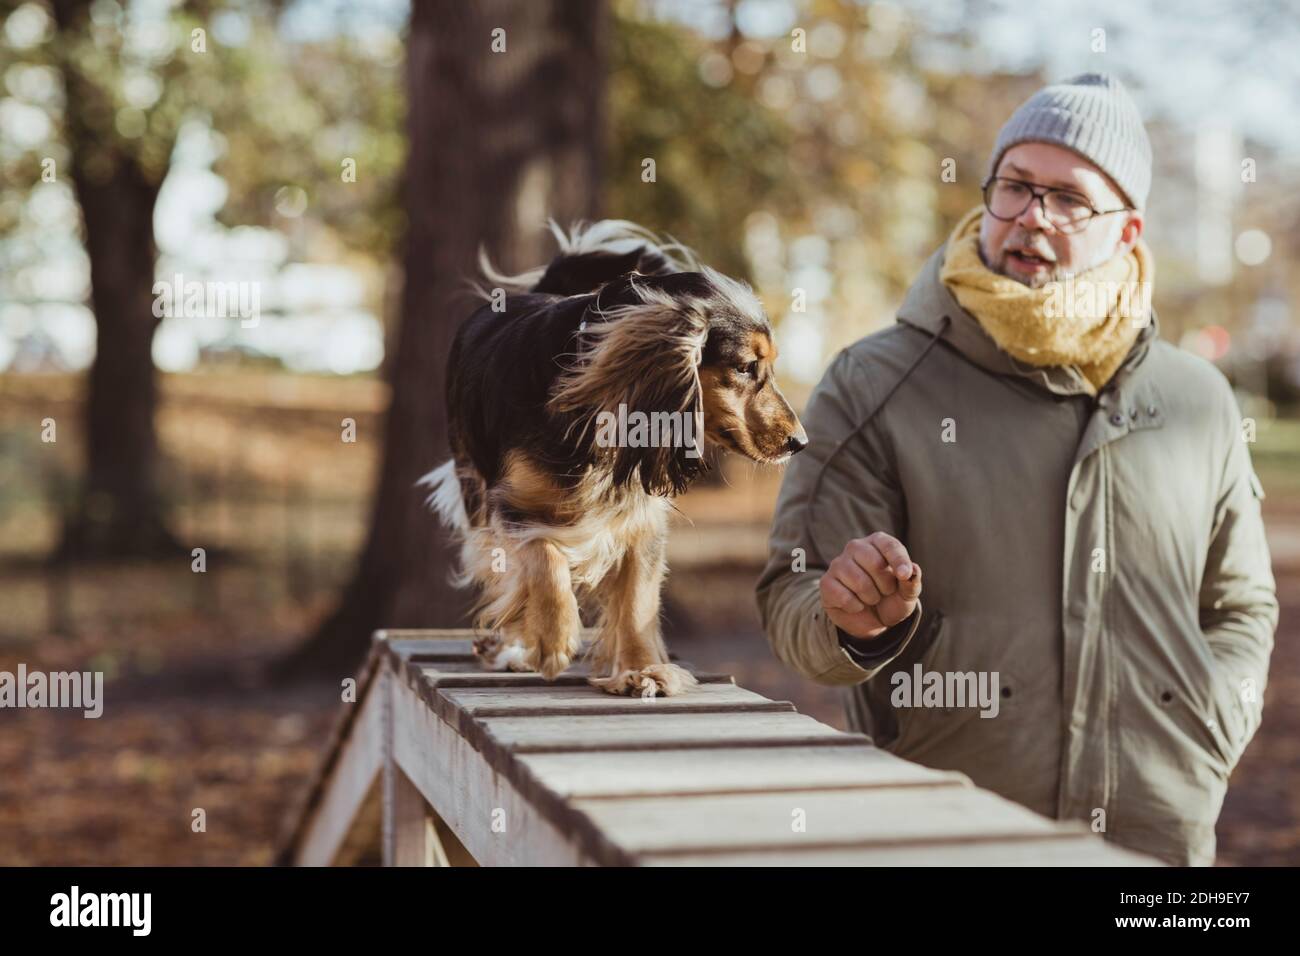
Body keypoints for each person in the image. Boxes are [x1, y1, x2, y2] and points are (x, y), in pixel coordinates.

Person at [756, 72, 1277, 866]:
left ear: (1129, 231)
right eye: (1015, 186)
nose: (1032, 216)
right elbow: (793, 591)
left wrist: (1210, 729)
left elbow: (1241, 604)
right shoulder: (875, 381)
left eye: (1069, 199)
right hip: (948, 829)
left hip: (1158, 840)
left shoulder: (1197, 397)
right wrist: (846, 621)